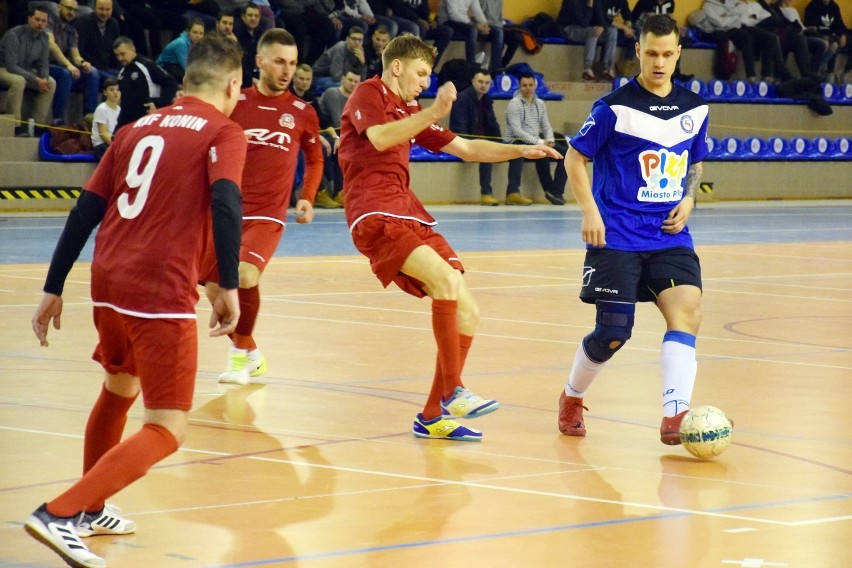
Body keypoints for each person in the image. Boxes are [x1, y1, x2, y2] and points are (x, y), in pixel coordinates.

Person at [24, 35, 247, 568]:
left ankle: (91, 506)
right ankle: (60, 512)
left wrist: (53, 286)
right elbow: (226, 200)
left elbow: (86, 208)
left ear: (185, 80)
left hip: (109, 280)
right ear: (233, 84)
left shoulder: (135, 128)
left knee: (119, 388)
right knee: (168, 428)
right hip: (159, 285)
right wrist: (229, 284)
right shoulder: (223, 130)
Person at [338, 33, 562, 441]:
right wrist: (433, 111)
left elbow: (469, 149)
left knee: (467, 308)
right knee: (444, 283)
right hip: (374, 213)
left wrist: (520, 150)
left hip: (409, 213)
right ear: (398, 66)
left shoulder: (410, 109)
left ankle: (431, 416)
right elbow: (380, 138)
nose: (424, 83)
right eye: (421, 74)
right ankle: (452, 391)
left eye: (429, 76)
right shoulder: (369, 94)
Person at [558, 15, 711, 446]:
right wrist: (591, 212)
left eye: (667, 54)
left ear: (678, 53)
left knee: (686, 315)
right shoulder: (613, 107)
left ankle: (674, 416)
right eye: (651, 53)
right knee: (613, 334)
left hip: (669, 234)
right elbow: (574, 159)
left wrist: (689, 197)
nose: (659, 62)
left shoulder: (695, 108)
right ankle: (572, 396)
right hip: (617, 235)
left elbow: (693, 161)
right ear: (638, 52)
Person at [200, 28, 325, 385]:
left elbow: (315, 159)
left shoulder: (303, 112)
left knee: (242, 276)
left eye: (293, 63)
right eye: (280, 62)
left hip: (267, 214)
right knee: (212, 287)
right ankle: (252, 352)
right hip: (225, 210)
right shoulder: (234, 102)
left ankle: (238, 357)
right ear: (259, 62)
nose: (288, 70)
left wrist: (307, 195)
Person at [504, 72, 569, 206]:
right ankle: (513, 193)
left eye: (530, 85)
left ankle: (555, 191)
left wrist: (549, 139)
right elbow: (517, 132)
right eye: (524, 85)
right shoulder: (514, 104)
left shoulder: (540, 103)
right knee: (532, 150)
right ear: (519, 86)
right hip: (516, 142)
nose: (528, 88)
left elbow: (546, 126)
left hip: (535, 141)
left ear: (535, 85)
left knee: (567, 155)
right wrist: (540, 143)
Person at [448, 68, 503, 206]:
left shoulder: (487, 100)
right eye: (480, 81)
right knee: (485, 150)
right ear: (473, 81)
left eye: (487, 82)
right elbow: (459, 128)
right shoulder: (462, 98)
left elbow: (493, 125)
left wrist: (501, 145)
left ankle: (513, 193)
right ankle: (486, 193)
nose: (483, 85)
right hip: (463, 141)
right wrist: (467, 146)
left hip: (480, 140)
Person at [0, 5, 56, 136]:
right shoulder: (14, 34)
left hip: (24, 69)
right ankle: (15, 125)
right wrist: (35, 79)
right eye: (37, 19)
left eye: (43, 21)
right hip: (3, 68)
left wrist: (44, 79)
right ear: (29, 19)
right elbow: (11, 66)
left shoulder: (44, 38)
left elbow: (43, 64)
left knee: (51, 83)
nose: (40, 23)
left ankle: (37, 125)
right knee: (19, 81)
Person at [46, 0, 100, 125]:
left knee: (93, 73)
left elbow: (75, 55)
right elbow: (51, 45)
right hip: (44, 65)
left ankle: (89, 118)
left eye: (74, 10)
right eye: (68, 8)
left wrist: (83, 63)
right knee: (66, 74)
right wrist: (68, 65)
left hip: (61, 66)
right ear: (59, 7)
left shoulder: (72, 31)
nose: (71, 13)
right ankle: (57, 119)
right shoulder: (49, 22)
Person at [113, 35, 179, 131]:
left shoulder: (147, 65)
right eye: (117, 55)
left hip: (147, 119)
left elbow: (171, 83)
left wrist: (159, 104)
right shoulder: (122, 72)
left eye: (122, 54)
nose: (120, 58)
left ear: (132, 49)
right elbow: (125, 102)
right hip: (127, 121)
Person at [318, 66, 362, 205]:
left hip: (342, 134)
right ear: (342, 79)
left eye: (356, 82)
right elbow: (339, 122)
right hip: (323, 132)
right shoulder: (333, 93)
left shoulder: (357, 98)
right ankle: (337, 191)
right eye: (350, 80)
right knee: (342, 147)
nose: (352, 84)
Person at [557, 0, 617, 82]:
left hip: (585, 29)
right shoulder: (572, 1)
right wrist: (589, 5)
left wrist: (602, 27)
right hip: (569, 28)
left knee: (612, 32)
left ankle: (606, 69)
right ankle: (587, 69)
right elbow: (583, 22)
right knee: (592, 31)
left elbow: (600, 18)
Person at [389, 0, 453, 68]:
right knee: (421, 31)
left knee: (447, 31)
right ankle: (415, 67)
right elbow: (399, 8)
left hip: (421, 22)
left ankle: (429, 66)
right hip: (404, 21)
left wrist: (429, 21)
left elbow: (425, 8)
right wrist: (417, 19)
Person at [803, 0, 850, 82]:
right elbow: (809, 26)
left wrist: (843, 34)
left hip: (831, 35)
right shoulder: (812, 5)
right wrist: (824, 34)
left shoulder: (834, 6)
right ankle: (828, 71)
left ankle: (844, 72)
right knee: (832, 43)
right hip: (817, 35)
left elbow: (840, 25)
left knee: (837, 41)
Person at [74, 0, 121, 78]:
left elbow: (115, 53)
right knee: (114, 80)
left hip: (107, 68)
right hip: (88, 69)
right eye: (101, 9)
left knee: (125, 77)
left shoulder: (114, 24)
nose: (104, 13)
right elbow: (77, 51)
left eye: (108, 9)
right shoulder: (83, 23)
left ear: (112, 9)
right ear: (94, 8)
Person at [312, 25, 367, 91]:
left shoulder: (360, 50)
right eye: (354, 39)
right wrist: (352, 82)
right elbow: (336, 76)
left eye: (360, 40)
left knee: (361, 87)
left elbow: (362, 78)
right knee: (350, 87)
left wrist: (363, 63)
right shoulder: (340, 48)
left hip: (341, 79)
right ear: (347, 39)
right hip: (320, 77)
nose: (357, 42)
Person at [438, 0, 490, 69]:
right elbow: (453, 14)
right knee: (472, 29)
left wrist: (484, 25)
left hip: (463, 23)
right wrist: (475, 25)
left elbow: (477, 12)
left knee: (496, 32)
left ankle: (493, 68)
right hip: (447, 22)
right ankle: (472, 66)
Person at [157, 18, 206, 83]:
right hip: (164, 68)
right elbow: (186, 66)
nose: (198, 36)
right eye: (195, 32)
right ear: (188, 32)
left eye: (201, 33)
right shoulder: (181, 43)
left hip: (176, 67)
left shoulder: (195, 43)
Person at [478, 0, 521, 74]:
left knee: (516, 37)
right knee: (498, 34)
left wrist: (500, 25)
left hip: (496, 26)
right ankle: (495, 71)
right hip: (482, 26)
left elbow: (499, 19)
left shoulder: (499, 1)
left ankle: (502, 65)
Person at [91, 75, 120, 159]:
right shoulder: (102, 109)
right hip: (101, 145)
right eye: (111, 90)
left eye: (117, 90)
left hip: (113, 142)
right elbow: (103, 134)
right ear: (105, 92)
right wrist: (116, 145)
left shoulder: (120, 109)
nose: (115, 92)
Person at [235, 3, 264, 87]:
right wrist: (250, 79)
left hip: (254, 76)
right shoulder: (236, 32)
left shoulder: (260, 33)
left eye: (256, 16)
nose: (253, 18)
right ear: (243, 17)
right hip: (240, 78)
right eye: (250, 15)